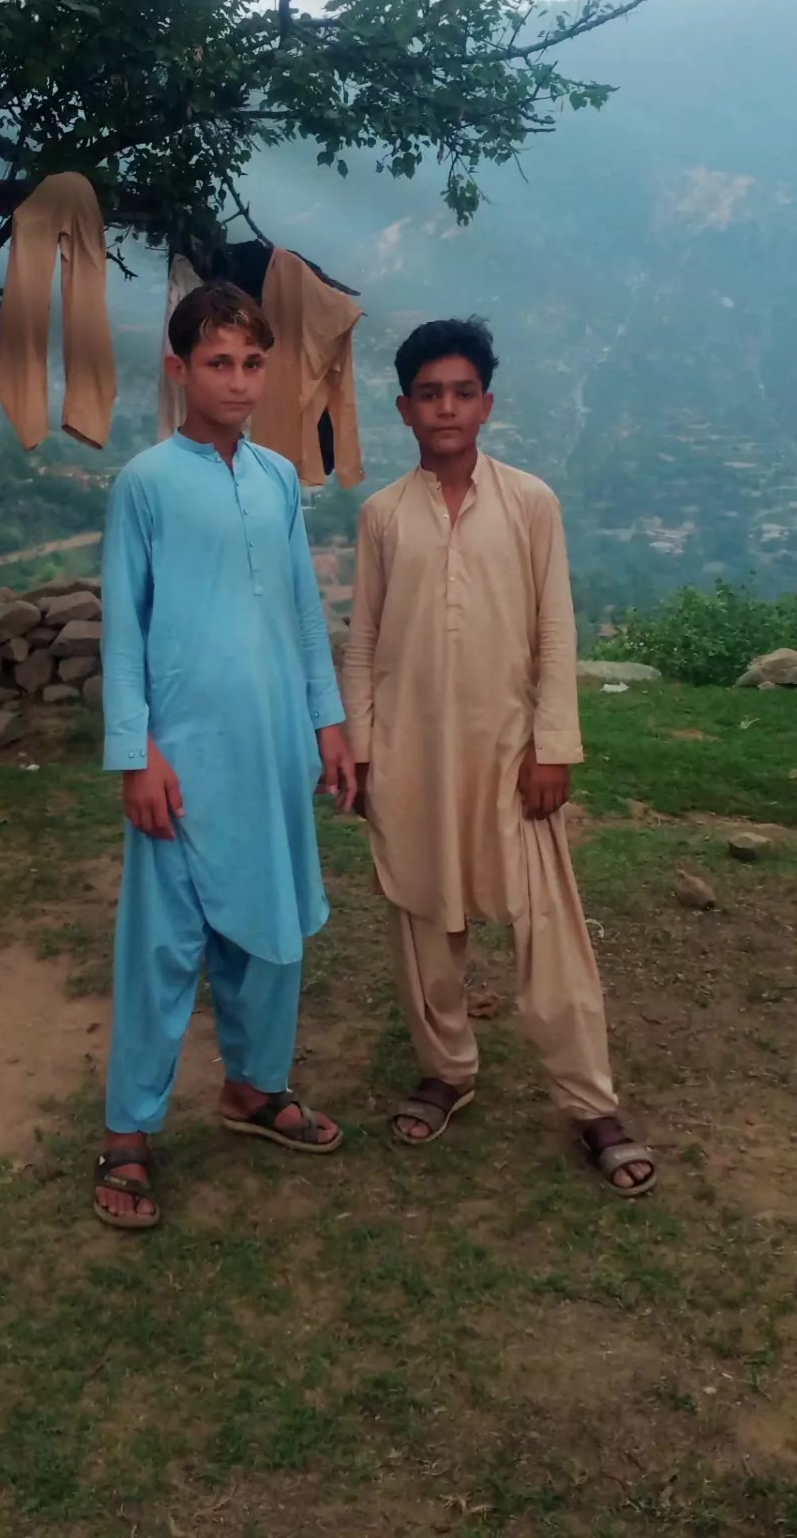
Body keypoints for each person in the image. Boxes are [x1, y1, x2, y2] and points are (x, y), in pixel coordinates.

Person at [341, 318, 655, 1197]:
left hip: (510, 754)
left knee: (548, 933)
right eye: (429, 394)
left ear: (487, 403)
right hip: (410, 754)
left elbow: (555, 631)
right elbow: (362, 642)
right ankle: (447, 1071)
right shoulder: (382, 515)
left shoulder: (529, 503)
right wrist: (361, 752)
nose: (446, 407)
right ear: (404, 408)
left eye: (462, 391)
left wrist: (553, 747)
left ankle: (591, 1101)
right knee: (424, 923)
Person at [95, 281, 355, 1230]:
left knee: (272, 926)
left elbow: (301, 611)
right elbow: (124, 629)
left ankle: (254, 1086)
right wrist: (137, 754)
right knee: (162, 945)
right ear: (179, 369)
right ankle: (127, 1133)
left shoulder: (280, 478)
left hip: (273, 745)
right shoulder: (147, 483)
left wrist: (327, 724)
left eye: (251, 362)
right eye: (217, 363)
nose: (238, 381)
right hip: (183, 756)